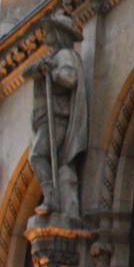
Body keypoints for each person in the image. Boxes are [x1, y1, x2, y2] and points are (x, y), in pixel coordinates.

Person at [29, 15, 89, 224]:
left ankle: (51, 197)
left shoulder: (65, 55)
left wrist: (52, 72)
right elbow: (27, 72)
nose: (45, 35)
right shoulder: (53, 56)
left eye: (49, 30)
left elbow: (69, 78)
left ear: (59, 34)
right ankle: (55, 198)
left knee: (37, 156)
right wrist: (41, 68)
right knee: (45, 158)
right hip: (47, 118)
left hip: (57, 118)